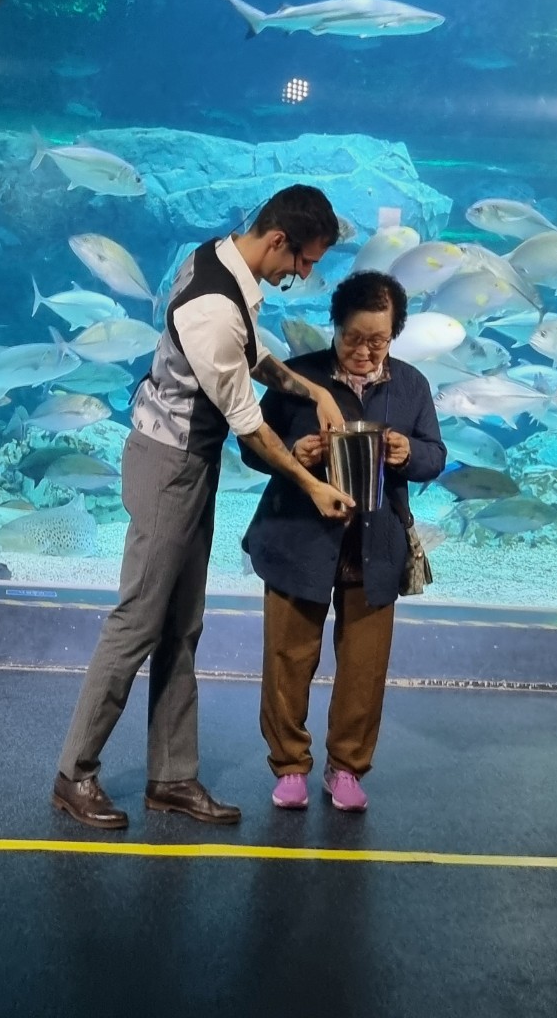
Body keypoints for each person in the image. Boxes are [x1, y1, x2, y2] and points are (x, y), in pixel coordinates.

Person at [52, 185, 356, 830]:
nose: (302, 275)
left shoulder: (220, 257)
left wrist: (314, 392)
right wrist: (312, 485)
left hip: (191, 461)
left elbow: (252, 354)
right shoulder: (213, 308)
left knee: (181, 624)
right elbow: (251, 428)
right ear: (278, 240)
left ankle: (171, 777)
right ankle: (73, 774)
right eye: (302, 262)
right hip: (168, 466)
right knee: (137, 622)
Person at [240, 270, 446, 812]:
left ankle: (347, 769)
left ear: (394, 335)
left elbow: (435, 455)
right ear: (334, 325)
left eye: (378, 340)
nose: (364, 351)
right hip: (298, 537)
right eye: (353, 337)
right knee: (288, 657)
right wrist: (296, 453)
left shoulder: (410, 385)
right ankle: (289, 765)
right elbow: (251, 447)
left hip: (373, 546)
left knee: (364, 666)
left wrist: (409, 453)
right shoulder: (298, 377)